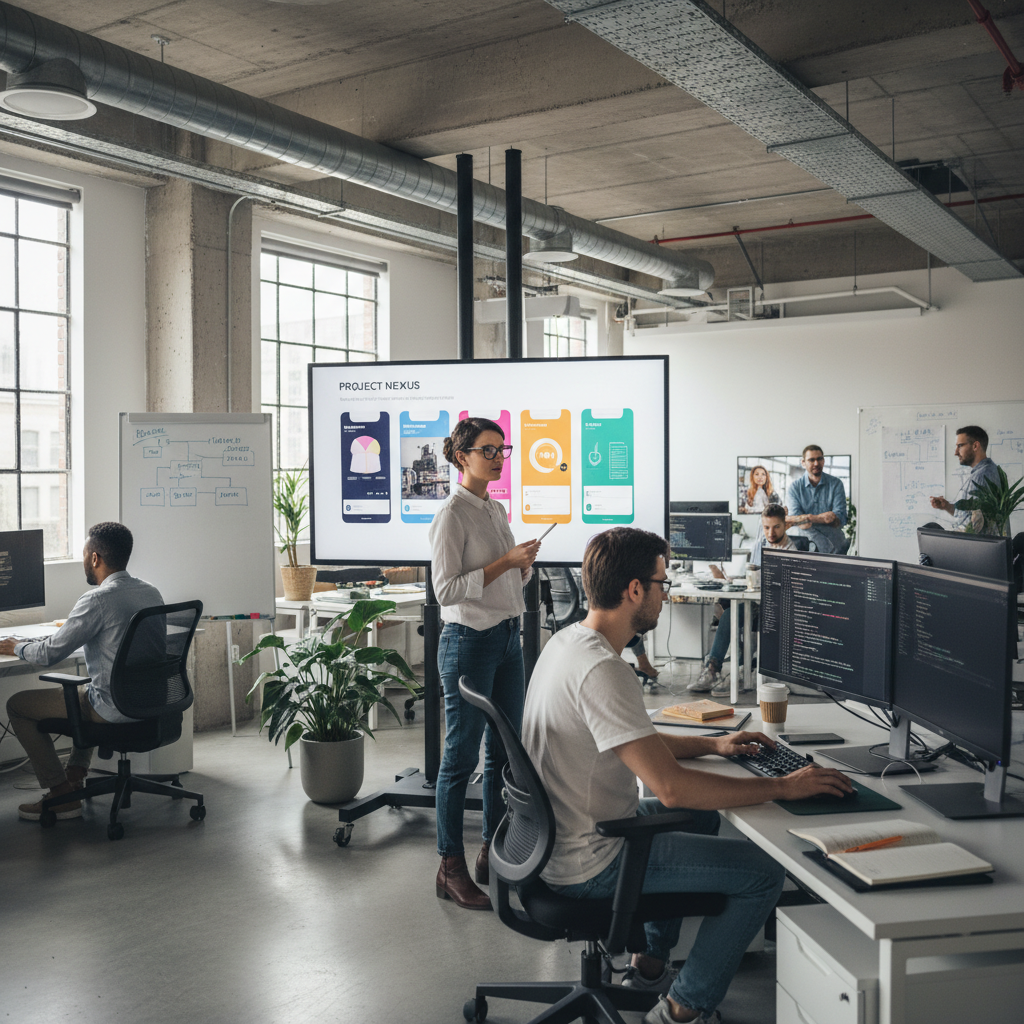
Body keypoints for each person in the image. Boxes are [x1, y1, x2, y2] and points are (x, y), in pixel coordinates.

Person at [522, 527, 852, 1024]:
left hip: (555, 842)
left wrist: (715, 744)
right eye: (662, 582)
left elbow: (631, 741)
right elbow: (670, 787)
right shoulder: (603, 670)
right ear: (635, 589)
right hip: (590, 862)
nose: (666, 593)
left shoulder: (569, 643)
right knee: (763, 873)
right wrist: (784, 786)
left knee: (695, 820)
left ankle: (651, 965)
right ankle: (683, 1008)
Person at [429, 416, 541, 910]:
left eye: (503, 450)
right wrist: (506, 563)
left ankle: (491, 852)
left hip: (506, 638)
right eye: (488, 450)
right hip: (467, 643)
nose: (498, 458)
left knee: (505, 754)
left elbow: (503, 582)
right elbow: (446, 590)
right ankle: (449, 866)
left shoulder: (495, 509)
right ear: (461, 456)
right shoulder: (451, 515)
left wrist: (524, 564)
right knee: (459, 759)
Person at [4, 522, 163, 822]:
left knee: (18, 705)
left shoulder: (97, 600)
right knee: (83, 693)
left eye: (84, 554)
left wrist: (15, 646)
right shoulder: (150, 592)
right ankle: (75, 775)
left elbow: (50, 654)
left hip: (112, 709)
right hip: (151, 702)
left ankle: (61, 793)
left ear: (94, 558)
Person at [689, 504, 794, 695]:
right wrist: (734, 579)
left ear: (785, 525)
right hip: (754, 601)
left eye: (776, 527)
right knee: (729, 612)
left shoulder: (790, 550)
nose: (770, 532)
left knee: (734, 615)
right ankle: (714, 669)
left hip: (776, 608)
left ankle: (740, 669)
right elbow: (753, 574)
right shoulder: (760, 543)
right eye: (766, 527)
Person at [929, 425, 1002, 533]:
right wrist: (947, 507)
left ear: (975, 446)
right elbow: (972, 514)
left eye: (960, 446)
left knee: (930, 529)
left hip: (974, 547)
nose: (956, 452)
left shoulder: (981, 476)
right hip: (976, 545)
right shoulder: (988, 471)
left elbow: (974, 525)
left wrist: (949, 538)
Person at [785, 445, 847, 553]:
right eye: (811, 460)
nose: (816, 463)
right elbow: (796, 520)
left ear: (823, 461)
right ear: (803, 462)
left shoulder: (836, 484)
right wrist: (822, 518)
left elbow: (840, 518)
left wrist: (807, 518)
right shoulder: (794, 488)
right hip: (805, 548)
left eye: (819, 459)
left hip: (836, 547)